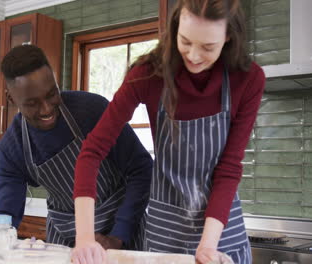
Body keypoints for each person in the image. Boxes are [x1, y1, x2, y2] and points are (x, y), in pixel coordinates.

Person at [71, 0, 265, 263]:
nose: (194, 56)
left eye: (208, 47)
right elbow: (92, 151)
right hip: (165, 235)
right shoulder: (148, 75)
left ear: (229, 37)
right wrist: (84, 239)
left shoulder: (248, 79)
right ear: (175, 27)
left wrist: (207, 246)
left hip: (220, 236)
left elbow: (229, 168)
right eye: (185, 41)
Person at [0, 45, 152, 260]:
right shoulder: (12, 147)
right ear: (11, 99)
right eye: (32, 103)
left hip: (124, 227)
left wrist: (118, 235)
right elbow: (4, 219)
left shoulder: (91, 110)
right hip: (66, 239)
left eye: (52, 94)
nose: (46, 109)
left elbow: (141, 169)